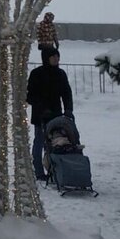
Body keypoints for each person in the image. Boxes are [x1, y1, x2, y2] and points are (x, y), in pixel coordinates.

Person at [26, 46, 73, 181]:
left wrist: (68, 109)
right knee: (40, 142)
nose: (56, 59)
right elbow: (30, 96)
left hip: (56, 115)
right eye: (53, 57)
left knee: (56, 143)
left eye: (57, 56)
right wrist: (41, 108)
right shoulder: (37, 74)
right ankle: (39, 171)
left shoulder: (60, 74)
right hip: (41, 115)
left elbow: (66, 93)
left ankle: (54, 169)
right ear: (46, 58)